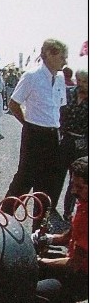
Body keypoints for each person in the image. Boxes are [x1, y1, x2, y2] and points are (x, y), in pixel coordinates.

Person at [2, 39, 68, 229]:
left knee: (48, 187)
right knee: (24, 181)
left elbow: (60, 108)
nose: (65, 61)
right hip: (34, 133)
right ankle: (1, 223)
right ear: (48, 53)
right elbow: (14, 103)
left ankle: (39, 234)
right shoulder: (32, 76)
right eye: (62, 56)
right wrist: (27, 124)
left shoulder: (61, 78)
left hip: (53, 135)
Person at [31, 157, 88, 303]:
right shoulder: (85, 202)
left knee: (31, 291)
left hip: (84, 276)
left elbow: (73, 265)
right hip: (78, 265)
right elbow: (70, 235)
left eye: (79, 187)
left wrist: (39, 262)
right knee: (29, 269)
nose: (73, 191)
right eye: (72, 185)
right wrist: (47, 238)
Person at [56, 68, 88, 220]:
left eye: (86, 82)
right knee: (57, 174)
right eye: (80, 80)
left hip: (82, 143)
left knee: (74, 180)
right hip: (66, 139)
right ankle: (49, 207)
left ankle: (67, 212)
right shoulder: (68, 93)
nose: (82, 85)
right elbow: (59, 113)